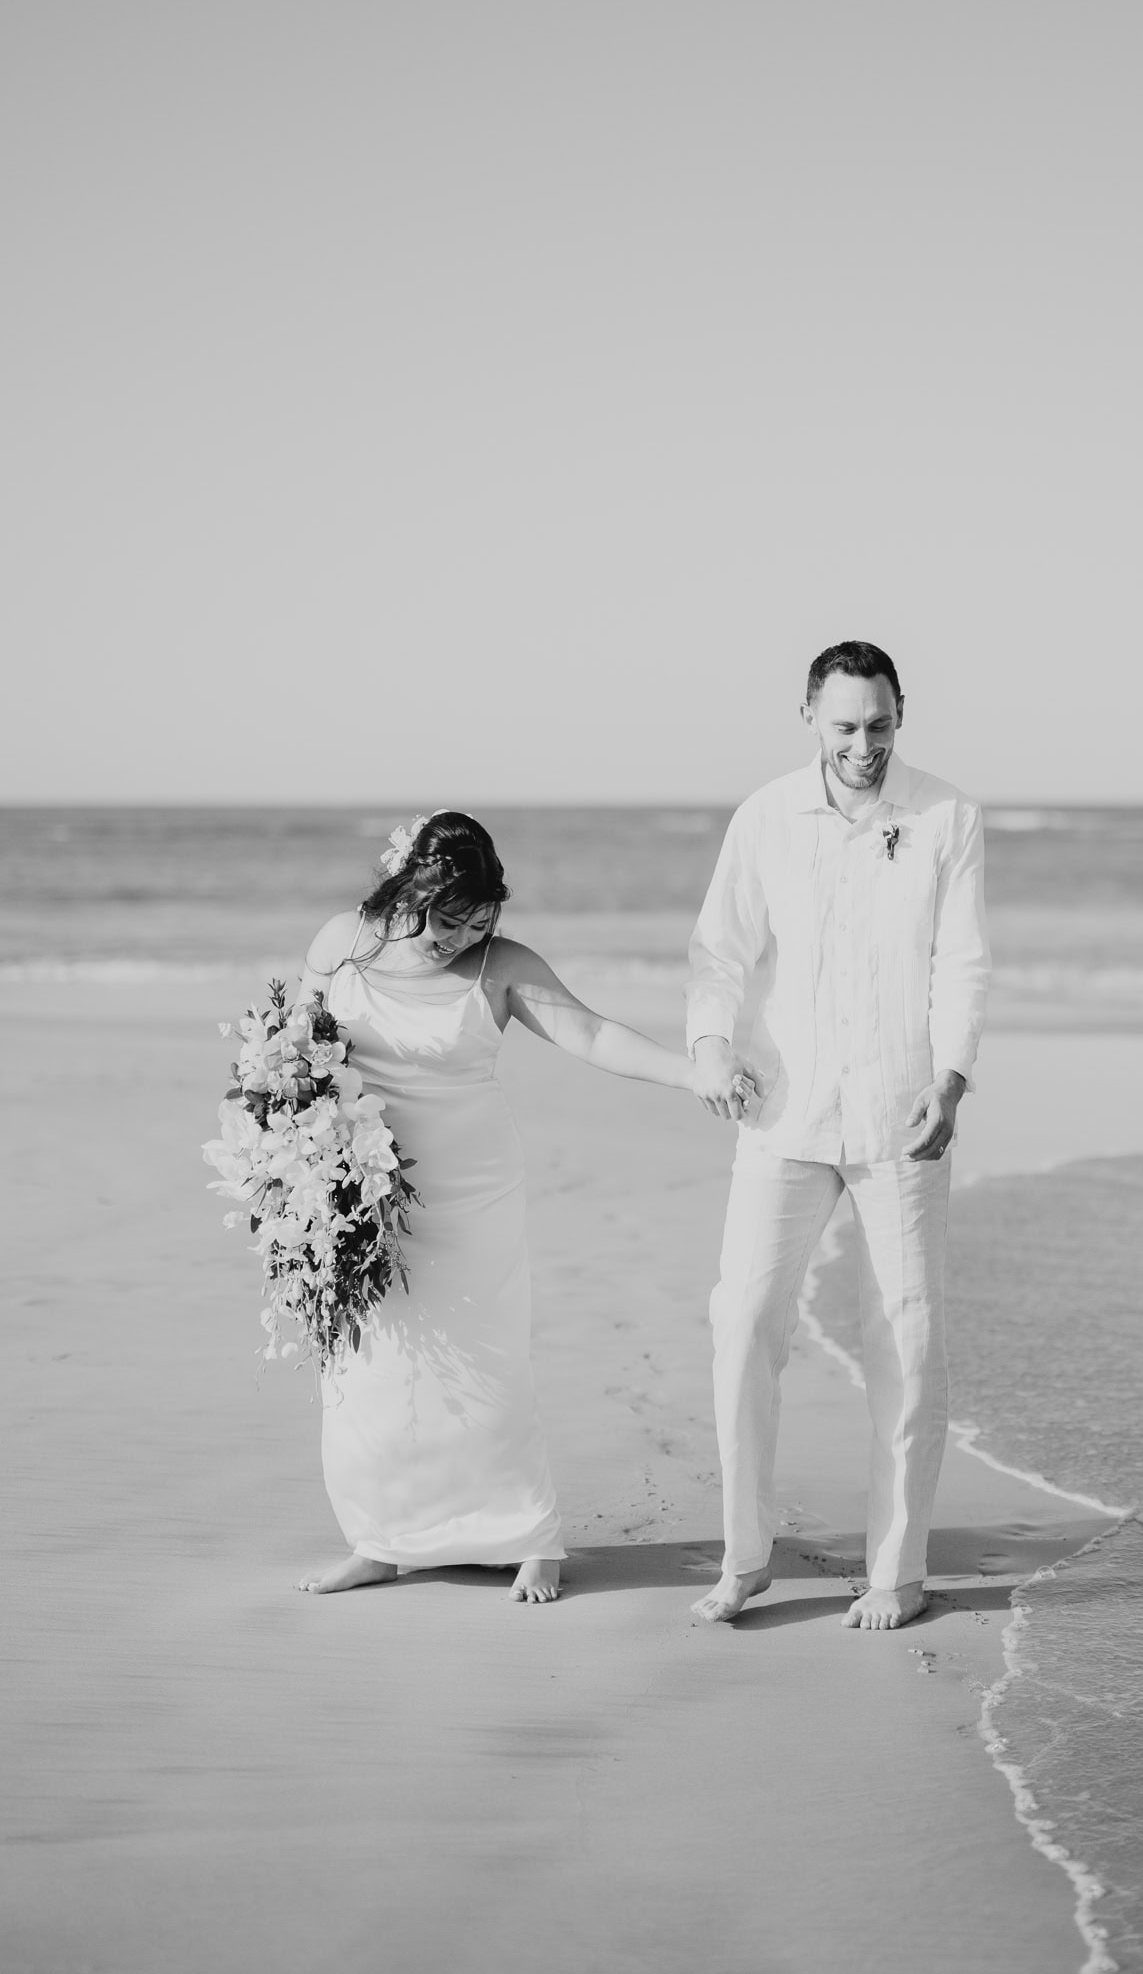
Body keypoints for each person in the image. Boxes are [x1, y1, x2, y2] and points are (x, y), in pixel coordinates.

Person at [294, 810, 721, 1602]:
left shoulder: (502, 966)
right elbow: (298, 1052)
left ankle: (529, 1537)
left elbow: (592, 1035)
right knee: (368, 1363)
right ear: (407, 889)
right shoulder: (341, 943)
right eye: (445, 917)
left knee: (485, 1358)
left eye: (477, 920)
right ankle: (383, 1540)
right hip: (359, 1187)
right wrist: (297, 1157)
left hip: (470, 1190)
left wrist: (692, 1073)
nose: (457, 936)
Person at [686, 642, 991, 1630]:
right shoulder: (766, 816)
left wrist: (951, 1079)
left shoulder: (948, 815)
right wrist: (707, 1048)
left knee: (908, 1336)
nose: (865, 745)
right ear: (810, 717)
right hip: (785, 1111)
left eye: (881, 725)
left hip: (904, 1115)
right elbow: (720, 951)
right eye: (846, 727)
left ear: (903, 714)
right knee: (743, 1324)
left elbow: (964, 960)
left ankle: (896, 1571)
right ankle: (744, 1559)